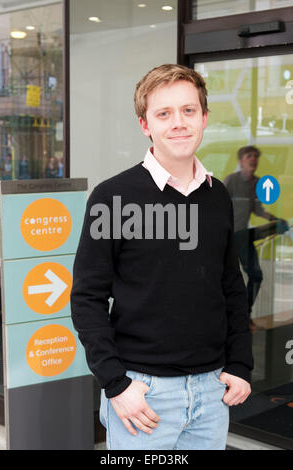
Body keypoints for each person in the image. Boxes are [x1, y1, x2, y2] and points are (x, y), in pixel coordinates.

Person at [71, 64, 253, 450]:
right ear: (144, 125)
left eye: (188, 111)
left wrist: (240, 364)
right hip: (143, 396)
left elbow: (231, 287)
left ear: (204, 118)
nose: (179, 123)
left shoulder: (217, 195)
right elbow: (87, 297)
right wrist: (116, 384)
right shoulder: (112, 198)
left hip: (211, 391)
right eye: (164, 113)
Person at [223, 146, 288, 332]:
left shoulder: (257, 183)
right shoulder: (232, 180)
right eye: (248, 156)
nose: (253, 159)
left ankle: (244, 316)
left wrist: (274, 219)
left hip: (243, 236)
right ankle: (232, 319)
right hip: (229, 237)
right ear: (241, 161)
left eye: (255, 156)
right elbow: (218, 206)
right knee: (225, 280)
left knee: (256, 276)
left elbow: (258, 210)